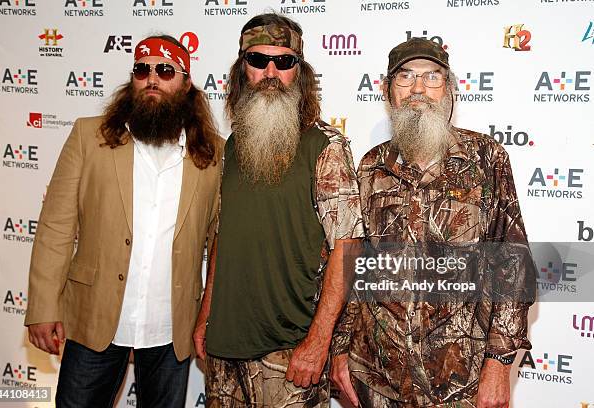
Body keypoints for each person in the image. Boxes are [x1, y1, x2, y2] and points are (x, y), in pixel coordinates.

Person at [331, 38, 535, 408]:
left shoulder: (485, 159)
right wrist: (341, 348)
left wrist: (498, 365)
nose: (418, 89)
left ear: (450, 87)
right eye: (405, 77)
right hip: (380, 379)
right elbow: (355, 266)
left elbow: (514, 264)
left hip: (460, 383)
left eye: (432, 76)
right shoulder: (370, 166)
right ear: (387, 90)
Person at [24, 34, 223, 407]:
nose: (152, 78)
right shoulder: (89, 136)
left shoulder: (212, 154)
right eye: (142, 69)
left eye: (165, 70)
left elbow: (220, 243)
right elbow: (56, 226)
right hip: (95, 319)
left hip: (171, 326)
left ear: (185, 82)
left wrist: (211, 317)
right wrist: (42, 307)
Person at [192, 13, 364, 407]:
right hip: (224, 350)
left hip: (289, 354)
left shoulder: (326, 147)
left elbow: (349, 248)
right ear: (241, 70)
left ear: (299, 73)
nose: (271, 71)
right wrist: (206, 312)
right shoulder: (233, 146)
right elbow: (224, 235)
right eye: (258, 60)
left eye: (284, 61)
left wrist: (318, 342)